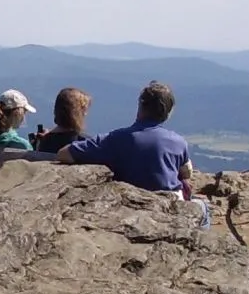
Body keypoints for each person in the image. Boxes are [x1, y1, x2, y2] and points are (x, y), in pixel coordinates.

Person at [57, 80, 210, 226]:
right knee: (201, 207)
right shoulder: (178, 141)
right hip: (172, 206)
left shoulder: (115, 139)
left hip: (133, 207)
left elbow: (64, 154)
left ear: (140, 107)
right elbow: (186, 173)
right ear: (168, 112)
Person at [32, 87, 91, 154]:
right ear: (78, 113)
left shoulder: (43, 142)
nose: (86, 114)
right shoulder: (85, 143)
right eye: (84, 110)